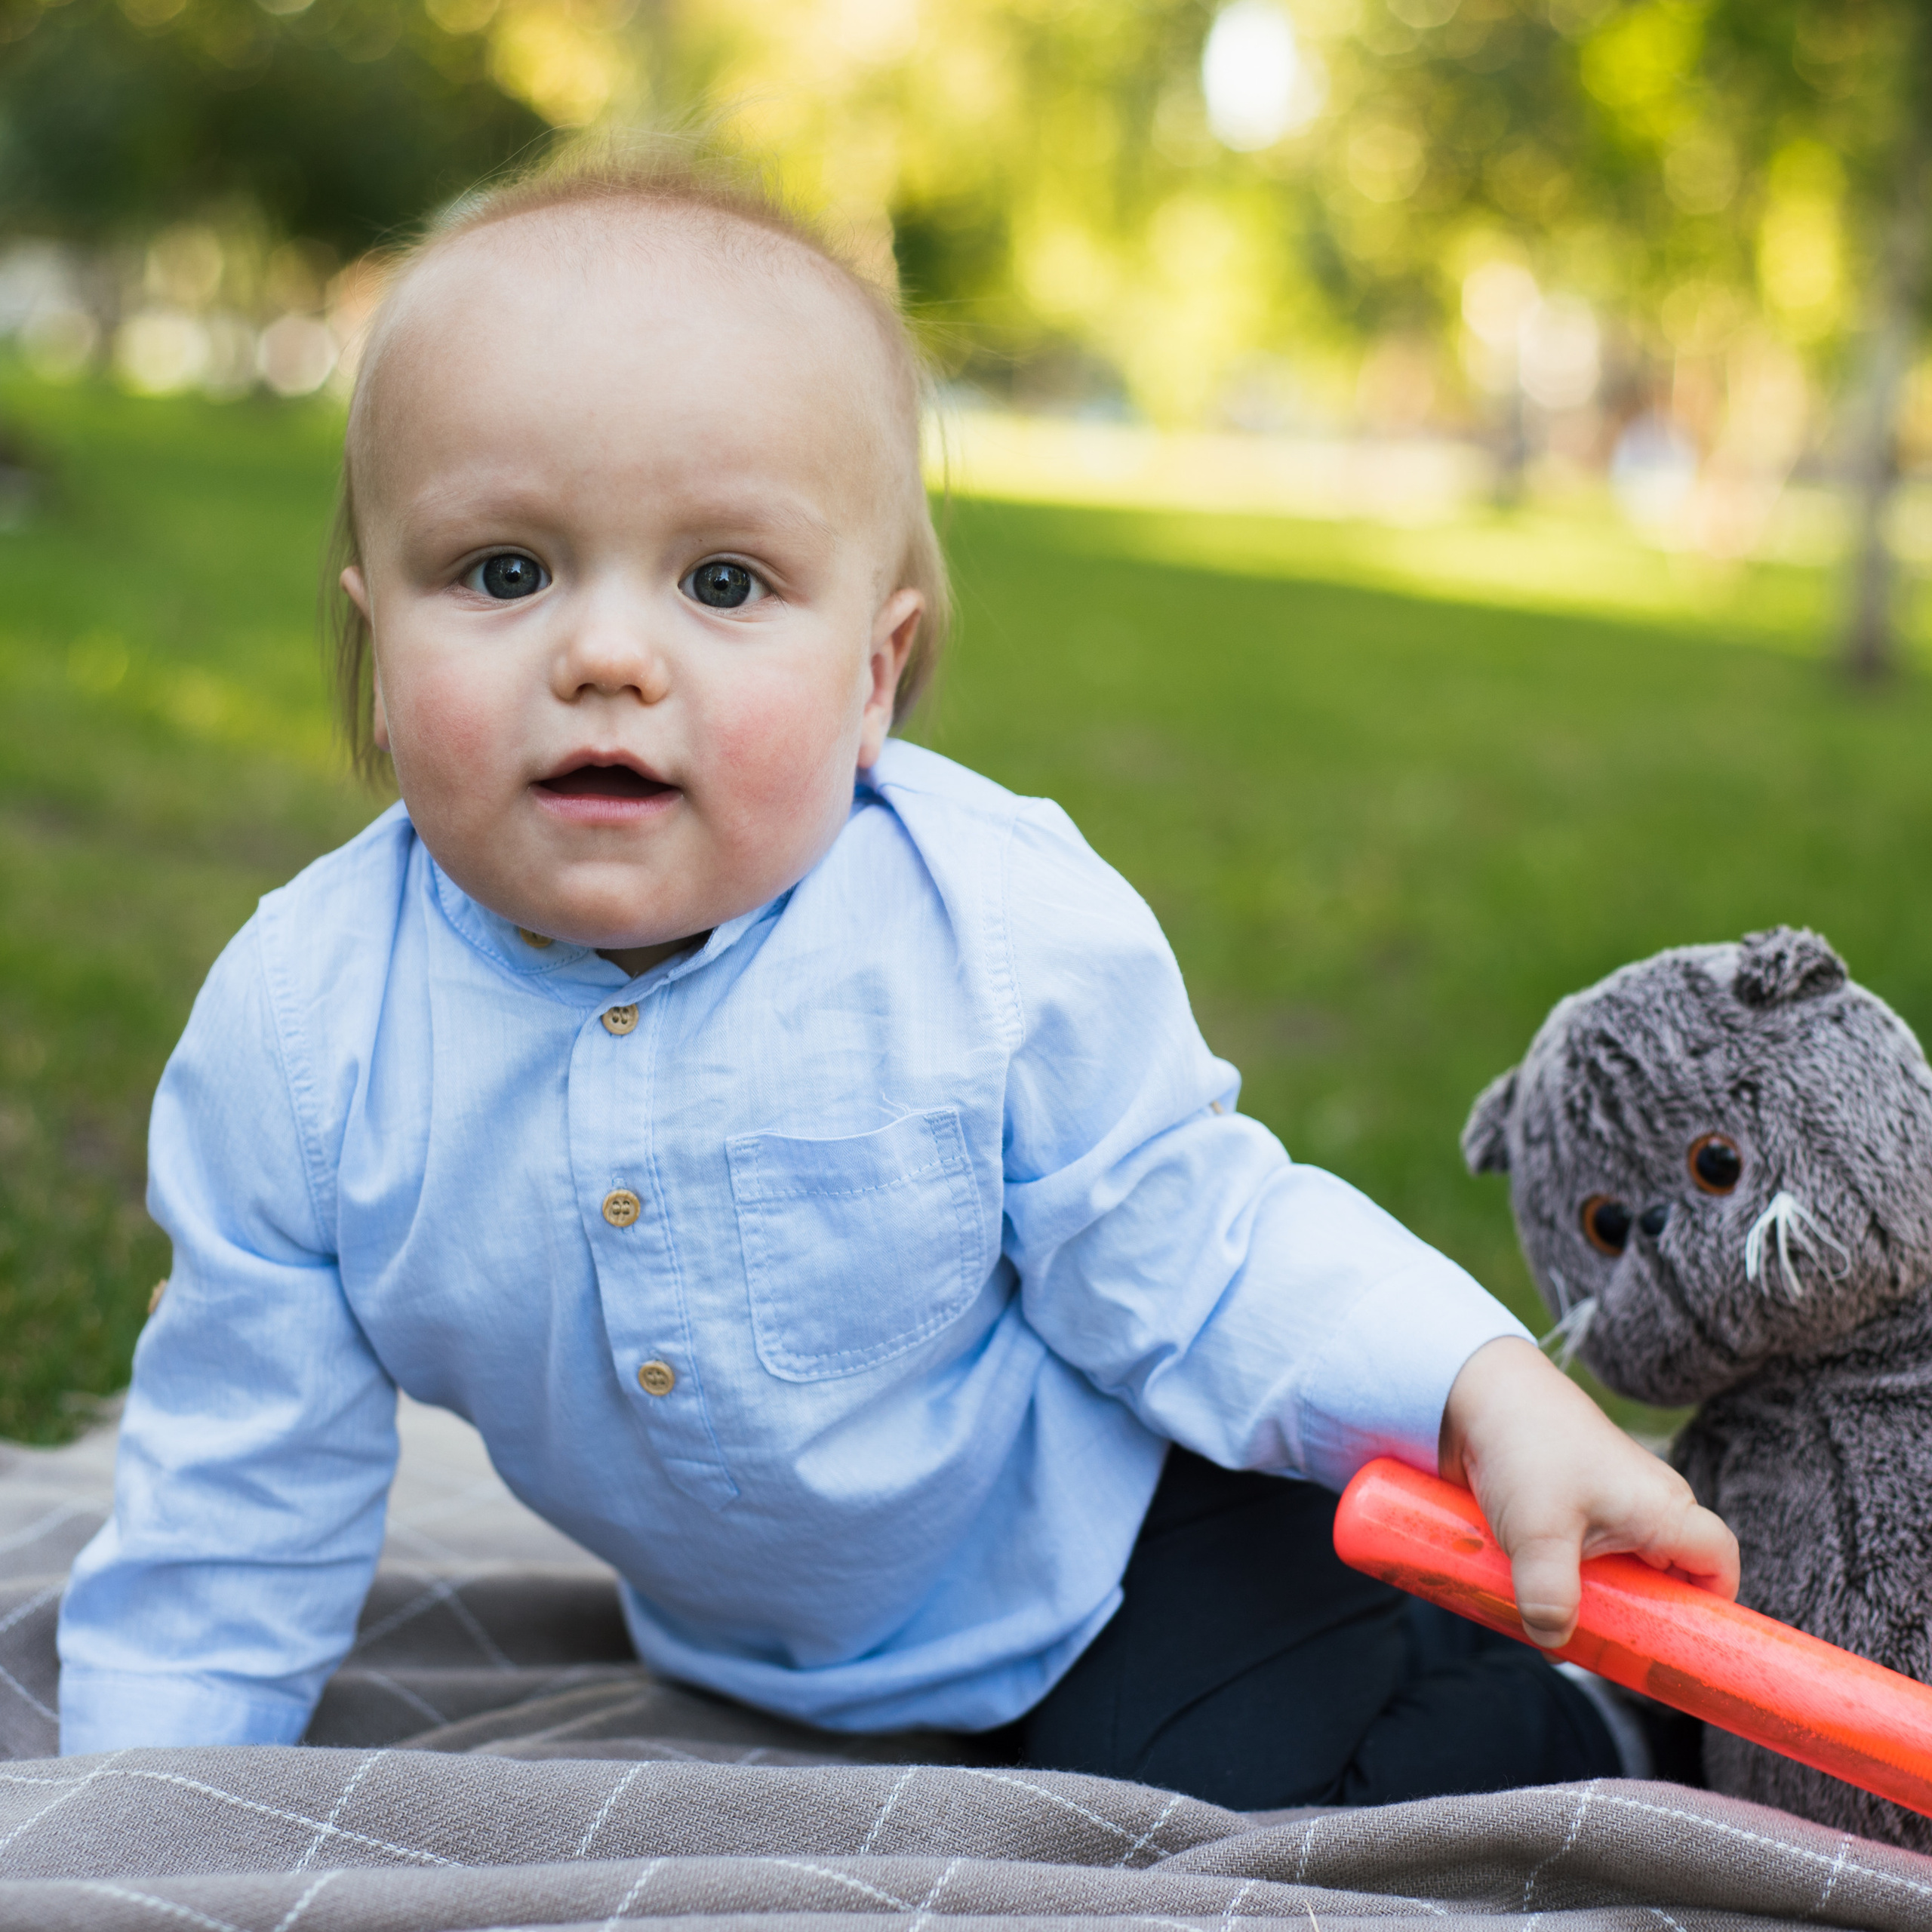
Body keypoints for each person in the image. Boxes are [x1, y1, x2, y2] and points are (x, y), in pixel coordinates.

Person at [56, 149, 1737, 1807]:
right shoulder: (307, 1033)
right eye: (504, 571)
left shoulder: (979, 934)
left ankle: (1601, 1720)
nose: (606, 655)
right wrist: (140, 1803)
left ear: (874, 677)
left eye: (723, 582)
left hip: (1127, 1549)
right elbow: (242, 1474)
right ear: (375, 648)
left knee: (1234, 1810)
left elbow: (1198, 1239)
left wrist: (1475, 1385)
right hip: (775, 1652)